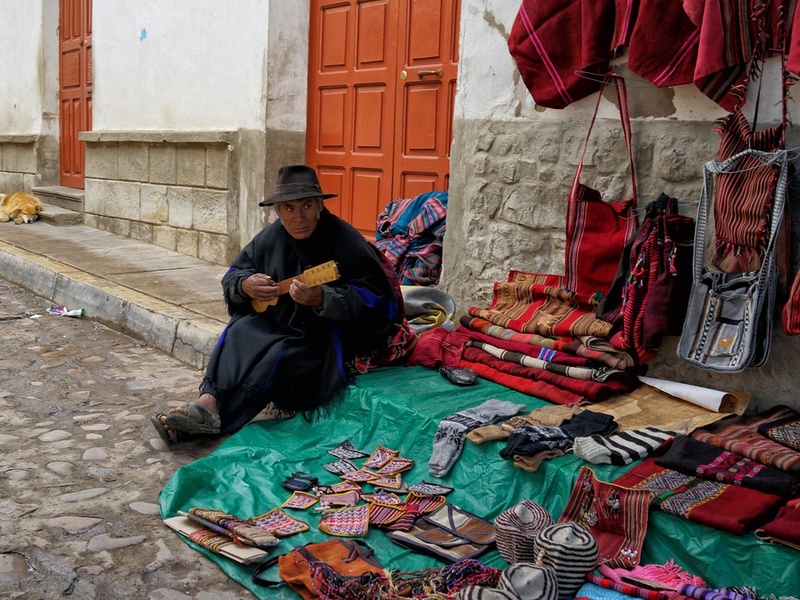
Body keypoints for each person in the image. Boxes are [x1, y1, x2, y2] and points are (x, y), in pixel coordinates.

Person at [151, 165, 404, 444]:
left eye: (307, 205)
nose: (299, 217)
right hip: (276, 322)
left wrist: (323, 299)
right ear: (278, 211)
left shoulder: (344, 240)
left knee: (278, 356)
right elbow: (235, 275)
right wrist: (245, 285)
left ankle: (212, 423)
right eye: (288, 209)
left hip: (321, 335)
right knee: (240, 330)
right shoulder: (270, 238)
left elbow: (378, 300)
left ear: (320, 205)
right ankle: (207, 401)